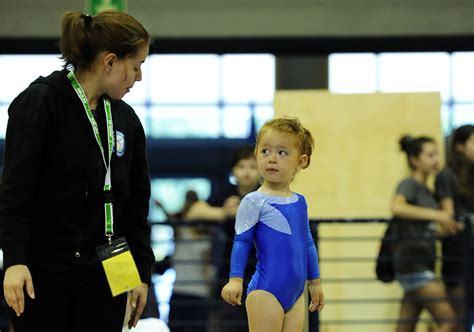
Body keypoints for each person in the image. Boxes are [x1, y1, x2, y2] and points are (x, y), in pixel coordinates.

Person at [0, 10, 155, 332]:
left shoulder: (125, 118)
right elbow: (15, 191)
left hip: (109, 265)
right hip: (45, 268)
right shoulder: (40, 103)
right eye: (136, 66)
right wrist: (14, 260)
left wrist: (140, 273)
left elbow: (136, 205)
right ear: (110, 62)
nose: (139, 77)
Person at [221, 117, 325, 332]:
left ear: (301, 161)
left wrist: (315, 282)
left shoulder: (300, 201)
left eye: (282, 152)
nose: (272, 159)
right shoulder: (253, 201)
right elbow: (241, 241)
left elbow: (307, 243)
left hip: (297, 294)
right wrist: (235, 280)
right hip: (266, 291)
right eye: (265, 151)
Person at [186, 144, 261, 331]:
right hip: (230, 269)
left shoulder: (265, 193)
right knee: (229, 322)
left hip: (261, 267)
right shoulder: (227, 192)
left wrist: (246, 213)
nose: (246, 172)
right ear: (234, 171)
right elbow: (194, 212)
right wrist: (224, 213)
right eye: (241, 167)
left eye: (252, 167)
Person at [391, 135, 460, 332]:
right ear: (414, 159)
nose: (436, 160)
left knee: (405, 328)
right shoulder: (409, 184)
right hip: (414, 264)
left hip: (421, 262)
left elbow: (426, 227)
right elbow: (396, 207)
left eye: (437, 154)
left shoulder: (426, 191)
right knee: (449, 322)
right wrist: (438, 215)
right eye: (430, 155)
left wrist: (446, 226)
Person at [435, 124, 474, 331]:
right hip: (458, 256)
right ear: (459, 146)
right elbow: (448, 217)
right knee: (458, 320)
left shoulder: (471, 175)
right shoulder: (447, 175)